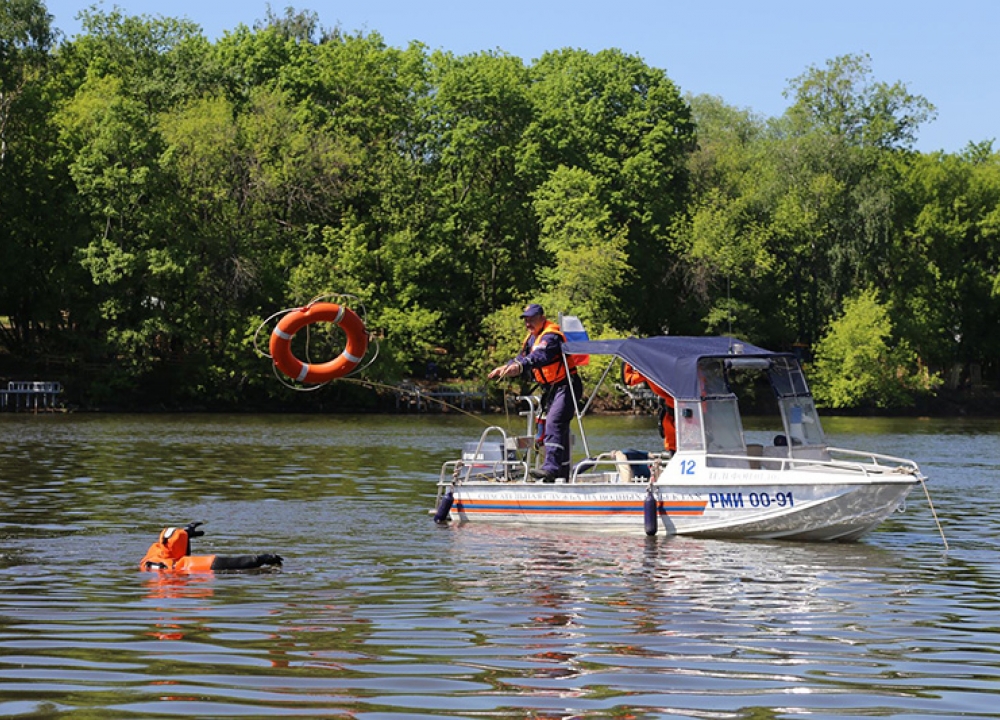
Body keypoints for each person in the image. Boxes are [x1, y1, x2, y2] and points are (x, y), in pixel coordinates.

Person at [488, 303, 583, 482]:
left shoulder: (551, 337)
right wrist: (506, 367)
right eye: (525, 320)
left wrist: (520, 365)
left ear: (542, 317)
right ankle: (561, 473)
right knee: (555, 427)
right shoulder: (532, 339)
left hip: (566, 386)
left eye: (531, 319)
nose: (528, 324)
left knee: (554, 422)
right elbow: (522, 358)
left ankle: (550, 469)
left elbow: (540, 357)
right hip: (551, 389)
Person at [139, 522, 283, 573]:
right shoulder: (182, 565)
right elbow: (233, 564)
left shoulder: (150, 557)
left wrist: (185, 534)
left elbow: (169, 543)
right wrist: (262, 559)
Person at [623, 363, 677, 454]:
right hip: (696, 412)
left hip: (677, 415)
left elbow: (628, 379)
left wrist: (628, 360)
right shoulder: (650, 369)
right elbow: (628, 380)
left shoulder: (649, 368)